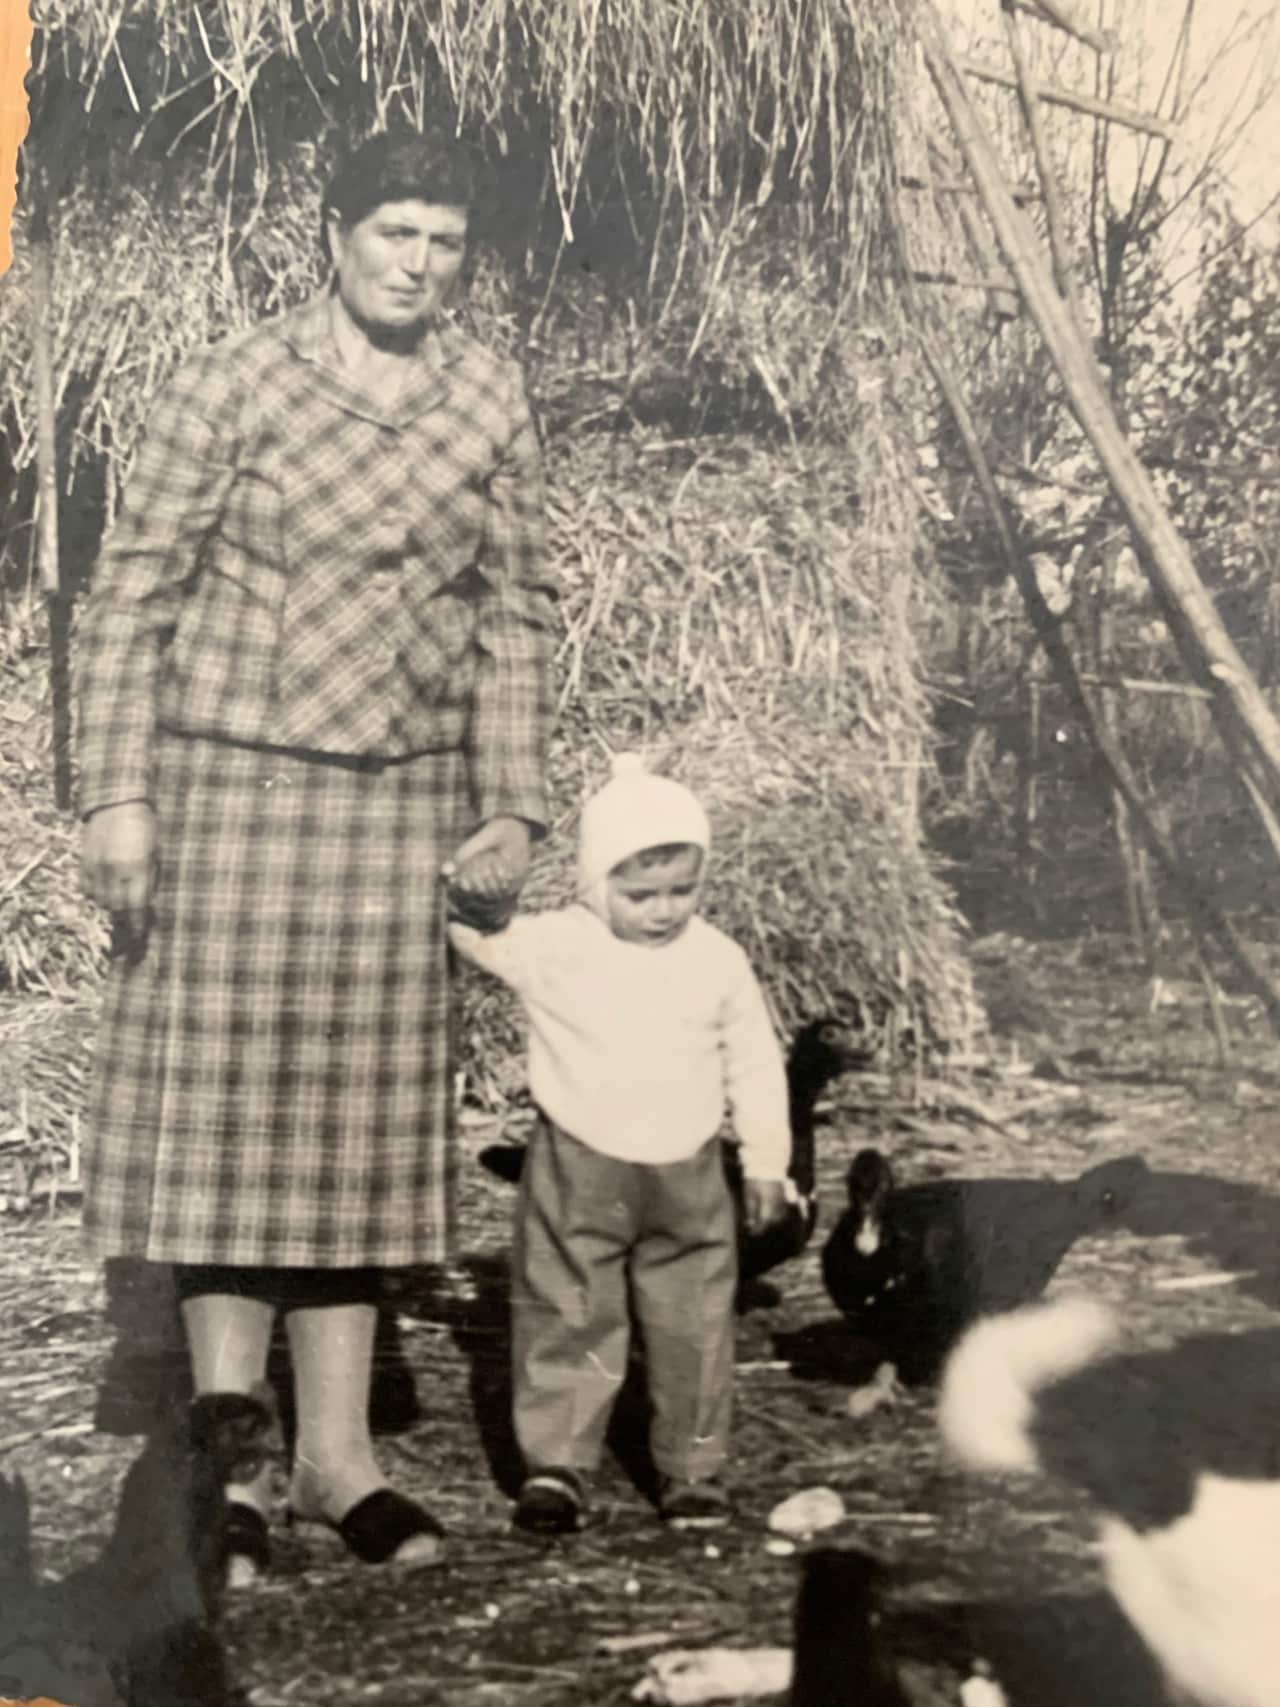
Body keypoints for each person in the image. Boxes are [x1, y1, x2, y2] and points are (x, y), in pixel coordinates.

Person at [76, 129, 555, 1576]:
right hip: (225, 791)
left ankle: (337, 1457)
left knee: (351, 1129)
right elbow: (128, 597)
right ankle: (224, 1460)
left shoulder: (487, 396)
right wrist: (114, 796)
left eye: (445, 241)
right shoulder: (233, 381)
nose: (417, 262)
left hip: (396, 806)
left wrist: (514, 802)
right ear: (334, 234)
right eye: (394, 230)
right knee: (227, 1123)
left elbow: (518, 613)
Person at [447, 753, 790, 1534]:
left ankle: (693, 1468)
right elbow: (471, 934)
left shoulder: (717, 960)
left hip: (690, 1171)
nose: (663, 910)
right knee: (569, 1305)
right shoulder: (557, 944)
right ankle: (559, 1463)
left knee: (696, 1318)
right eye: (639, 894)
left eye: (682, 890)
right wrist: (467, 882)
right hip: (581, 1161)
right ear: (595, 881)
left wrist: (767, 1162)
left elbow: (756, 1061)